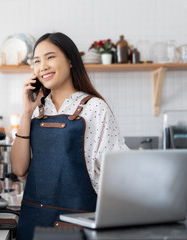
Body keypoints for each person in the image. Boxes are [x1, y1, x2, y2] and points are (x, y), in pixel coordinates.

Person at [10, 32, 128, 240]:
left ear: (71, 61)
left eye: (50, 57)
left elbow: (117, 176)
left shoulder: (95, 108)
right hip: (33, 224)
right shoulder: (36, 110)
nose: (42, 66)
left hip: (77, 225)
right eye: (37, 61)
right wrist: (26, 112)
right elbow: (19, 168)